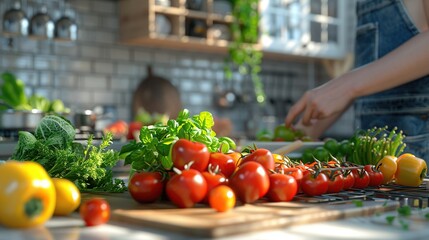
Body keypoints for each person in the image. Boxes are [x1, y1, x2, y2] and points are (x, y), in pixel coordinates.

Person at [285, 0, 429, 163]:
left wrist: (346, 87)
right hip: (370, 156)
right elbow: (372, 65)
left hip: (416, 153)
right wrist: (307, 129)